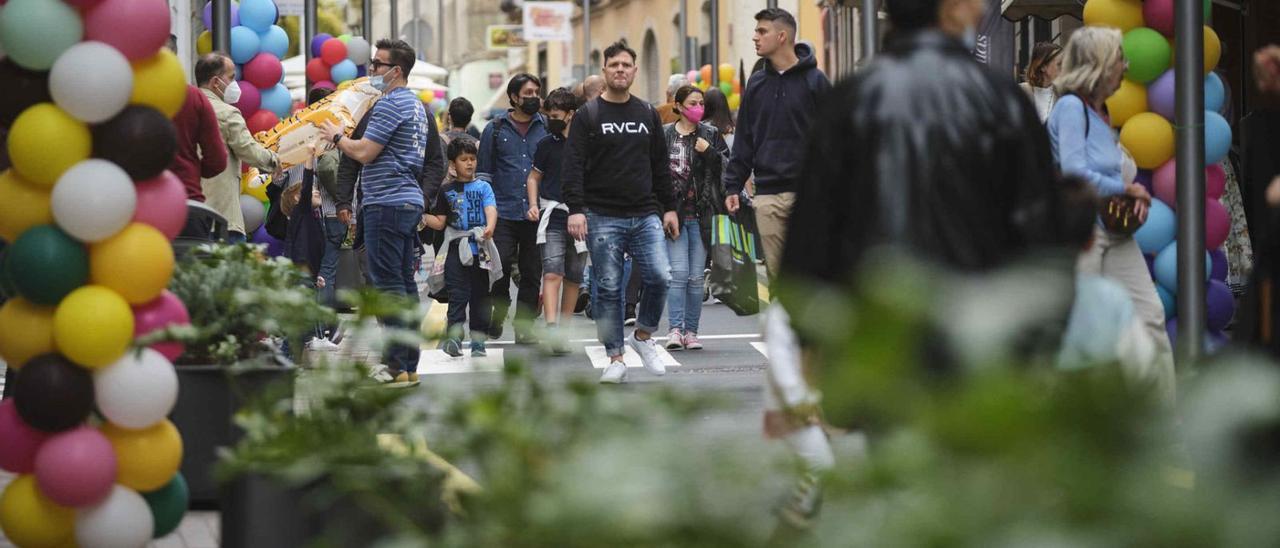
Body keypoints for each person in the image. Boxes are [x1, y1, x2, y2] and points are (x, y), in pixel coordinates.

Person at [778, 0, 1069, 525]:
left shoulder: (852, 98)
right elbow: (1039, 235)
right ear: (955, 11)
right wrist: (1040, 345)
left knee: (899, 485)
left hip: (882, 332)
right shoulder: (999, 98)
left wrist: (812, 344)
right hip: (983, 332)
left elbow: (812, 234)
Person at [1047, 26, 1174, 388]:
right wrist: (1127, 190)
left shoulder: (1100, 112)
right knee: (1081, 331)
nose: (1126, 66)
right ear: (1099, 64)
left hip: (1113, 231)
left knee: (1150, 316)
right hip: (1083, 232)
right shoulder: (1071, 108)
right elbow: (1075, 172)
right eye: (1120, 58)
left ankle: (1161, 420)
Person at [563, 40, 679, 384]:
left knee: (661, 276)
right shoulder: (588, 115)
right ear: (605, 70)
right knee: (609, 287)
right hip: (601, 215)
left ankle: (642, 337)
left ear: (635, 71)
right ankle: (615, 356)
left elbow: (660, 165)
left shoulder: (646, 113)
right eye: (614, 65)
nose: (620, 70)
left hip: (645, 213)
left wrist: (670, 207)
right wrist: (576, 209)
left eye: (626, 65)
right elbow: (572, 165)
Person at [318, 38, 427, 387]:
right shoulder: (416, 106)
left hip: (387, 203)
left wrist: (337, 137)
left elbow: (364, 152)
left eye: (378, 65)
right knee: (404, 285)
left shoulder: (391, 105)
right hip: (407, 202)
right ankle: (408, 364)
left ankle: (395, 365)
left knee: (388, 286)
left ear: (396, 70)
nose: (372, 71)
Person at [723, 8, 831, 279]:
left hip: (809, 194)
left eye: (762, 31)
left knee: (810, 275)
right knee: (779, 280)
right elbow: (744, 139)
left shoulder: (816, 82)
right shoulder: (756, 85)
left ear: (782, 36)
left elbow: (833, 138)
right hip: (768, 195)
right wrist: (733, 185)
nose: (754, 37)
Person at [477, 74, 549, 344]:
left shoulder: (545, 127)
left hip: (535, 212)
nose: (533, 97)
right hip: (502, 211)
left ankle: (524, 327)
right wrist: (485, 213)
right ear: (514, 97)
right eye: (528, 93)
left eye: (537, 92)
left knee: (532, 272)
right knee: (499, 267)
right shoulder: (494, 129)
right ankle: (500, 307)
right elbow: (484, 175)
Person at [662, 85, 729, 351]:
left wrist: (709, 152)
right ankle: (675, 330)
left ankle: (692, 332)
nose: (698, 107)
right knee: (678, 273)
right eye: (692, 103)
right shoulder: (665, 135)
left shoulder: (710, 134)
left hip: (702, 214)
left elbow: (728, 166)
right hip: (675, 215)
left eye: (701, 103)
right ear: (678, 106)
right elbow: (655, 171)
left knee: (696, 278)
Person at [425, 138, 499, 358]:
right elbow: (439, 222)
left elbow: (491, 209)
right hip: (455, 249)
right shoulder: (445, 190)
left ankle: (478, 342)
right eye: (463, 159)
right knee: (458, 295)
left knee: (480, 296)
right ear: (452, 164)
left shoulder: (484, 186)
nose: (469, 163)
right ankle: (454, 339)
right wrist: (419, 215)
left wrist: (490, 227)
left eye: (473, 159)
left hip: (481, 248)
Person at [197, 52, 281, 243]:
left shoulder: (184, 108)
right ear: (216, 82)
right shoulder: (227, 113)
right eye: (232, 77)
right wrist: (274, 160)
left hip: (190, 213)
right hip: (222, 216)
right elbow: (247, 149)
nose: (235, 83)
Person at [525, 88, 584, 355]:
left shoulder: (586, 143)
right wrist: (534, 205)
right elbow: (533, 177)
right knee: (551, 271)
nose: (551, 119)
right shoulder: (546, 145)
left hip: (582, 216)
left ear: (570, 115)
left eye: (556, 115)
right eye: (548, 115)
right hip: (553, 215)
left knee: (574, 275)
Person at [170, 81, 227, 202]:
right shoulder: (192, 95)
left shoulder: (127, 94)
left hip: (133, 200)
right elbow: (217, 160)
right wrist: (191, 170)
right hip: (186, 194)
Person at [1020, 42, 1063, 123]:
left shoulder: (1062, 94)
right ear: (1043, 67)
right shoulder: (1021, 92)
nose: (1063, 68)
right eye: (1059, 64)